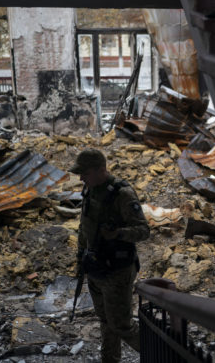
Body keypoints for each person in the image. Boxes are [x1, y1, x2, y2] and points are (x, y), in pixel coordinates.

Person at [70, 148, 150, 363]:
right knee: (106, 321)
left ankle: (163, 355)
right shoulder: (91, 190)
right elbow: (84, 227)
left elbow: (144, 231)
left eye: (85, 173)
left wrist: (119, 233)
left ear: (100, 170)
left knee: (122, 325)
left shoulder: (122, 194)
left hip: (117, 271)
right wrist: (80, 258)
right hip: (95, 267)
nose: (81, 178)